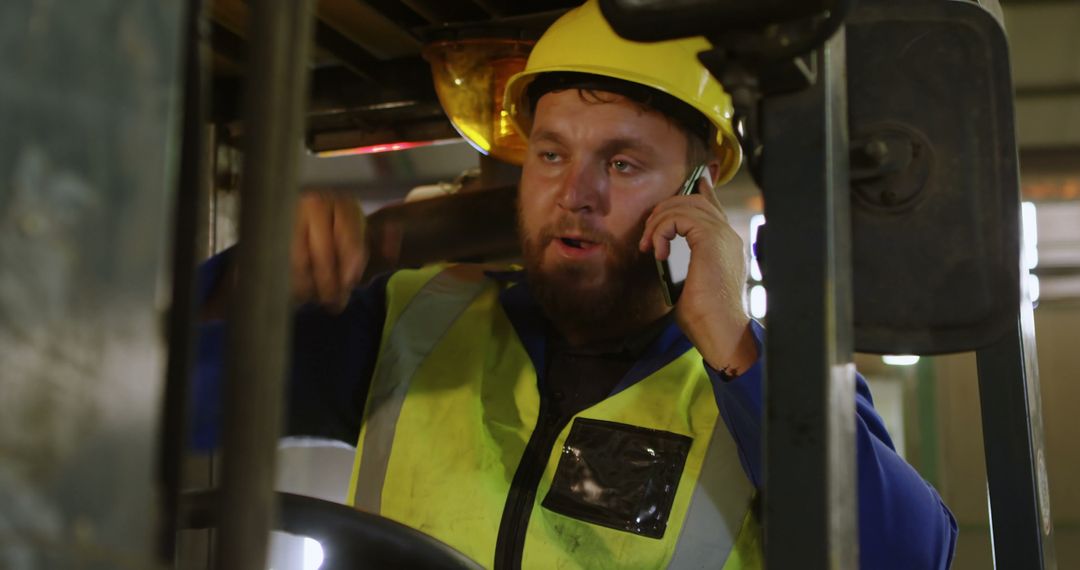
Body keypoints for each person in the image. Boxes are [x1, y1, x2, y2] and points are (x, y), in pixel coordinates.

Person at [196, 1, 957, 568]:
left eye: (622, 164)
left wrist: (733, 345)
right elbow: (153, 398)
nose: (577, 195)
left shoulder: (763, 388)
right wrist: (269, 276)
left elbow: (907, 556)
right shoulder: (405, 321)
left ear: (697, 191)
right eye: (552, 156)